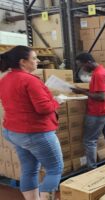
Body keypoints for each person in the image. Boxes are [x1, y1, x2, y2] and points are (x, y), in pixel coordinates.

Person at [0, 46, 63, 200]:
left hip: (14, 131)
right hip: (35, 132)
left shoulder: (5, 79)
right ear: (23, 62)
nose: (38, 61)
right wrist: (56, 102)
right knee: (55, 169)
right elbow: (43, 108)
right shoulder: (29, 80)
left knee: (29, 169)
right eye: (34, 58)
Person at [72, 53, 105, 169]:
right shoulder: (104, 71)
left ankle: (92, 168)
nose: (81, 68)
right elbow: (100, 90)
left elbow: (101, 97)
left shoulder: (97, 74)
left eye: (81, 65)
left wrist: (82, 92)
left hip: (98, 112)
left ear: (88, 62)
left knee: (90, 140)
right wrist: (83, 89)